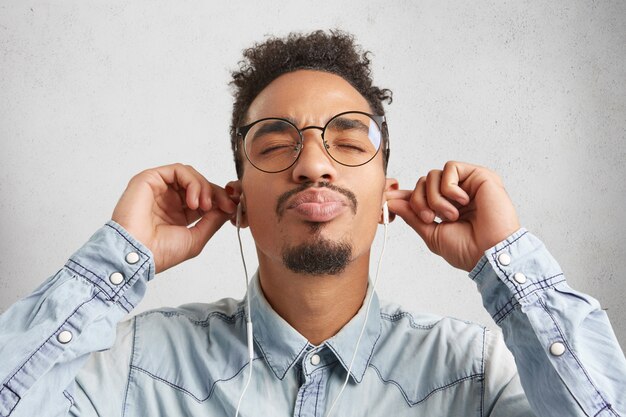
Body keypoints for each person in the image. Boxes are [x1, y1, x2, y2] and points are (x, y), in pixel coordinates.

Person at [0, 30, 624, 417]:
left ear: (388, 189)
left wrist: (507, 264)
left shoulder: (478, 372)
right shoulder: (136, 364)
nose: (313, 165)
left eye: (348, 140)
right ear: (237, 199)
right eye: (275, 143)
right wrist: (118, 259)